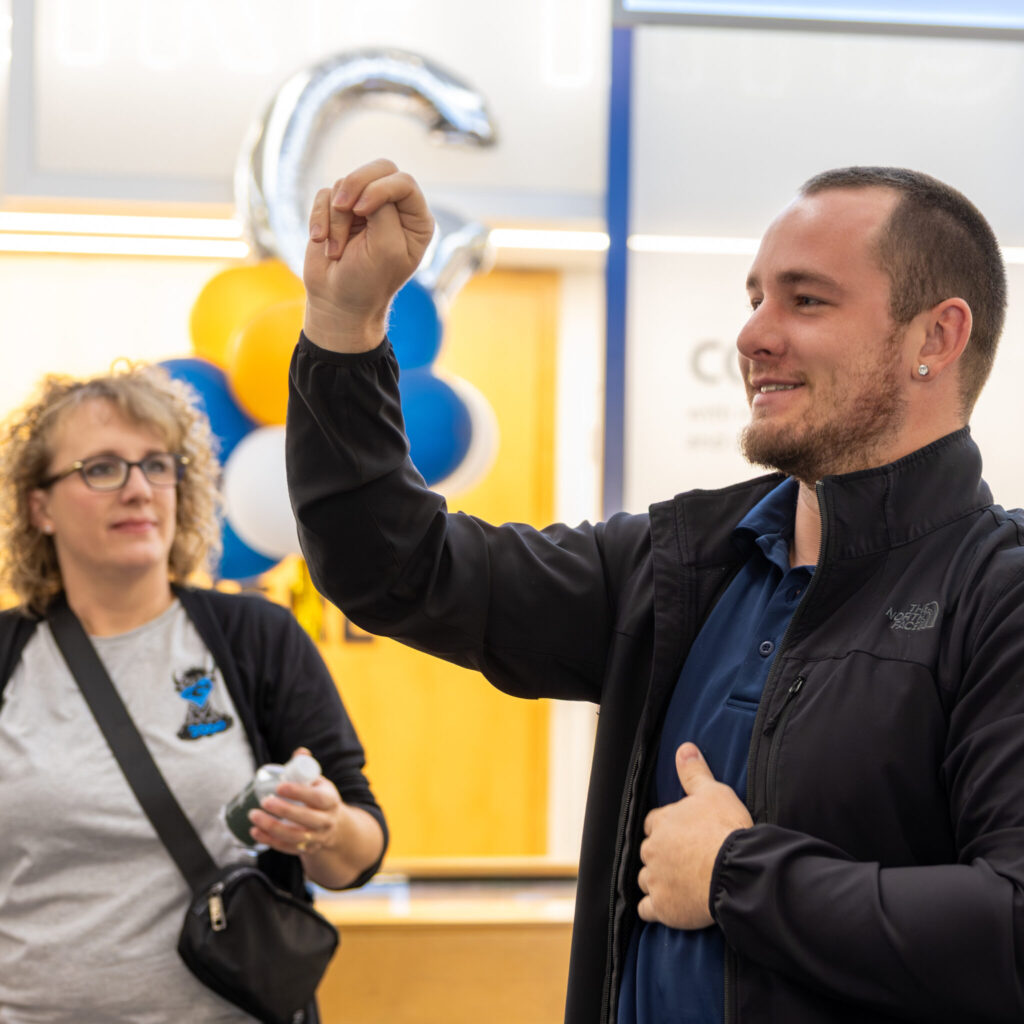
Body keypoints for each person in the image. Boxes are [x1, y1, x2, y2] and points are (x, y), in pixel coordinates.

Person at [284, 159, 1024, 1024]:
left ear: (935, 338)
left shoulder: (997, 595)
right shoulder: (681, 568)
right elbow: (393, 566)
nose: (753, 336)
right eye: (755, 299)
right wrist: (346, 322)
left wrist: (734, 874)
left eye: (806, 300)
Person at [0, 363, 387, 1023]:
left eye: (158, 465)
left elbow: (359, 851)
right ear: (39, 506)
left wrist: (323, 827)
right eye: (101, 468)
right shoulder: (8, 656)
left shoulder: (254, 639)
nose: (138, 489)